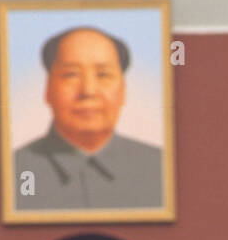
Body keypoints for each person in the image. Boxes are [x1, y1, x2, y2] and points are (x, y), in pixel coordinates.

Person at [12, 26, 164, 212]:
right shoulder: (16, 170)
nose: (88, 91)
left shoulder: (161, 169)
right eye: (71, 75)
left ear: (123, 91)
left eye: (103, 75)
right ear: (48, 89)